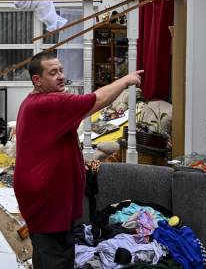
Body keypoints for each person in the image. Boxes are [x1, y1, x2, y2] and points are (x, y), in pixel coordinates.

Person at [14, 51, 143, 269]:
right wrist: (126, 80)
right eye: (53, 73)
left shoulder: (41, 102)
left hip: (52, 198)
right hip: (46, 199)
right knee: (53, 258)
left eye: (61, 70)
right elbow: (98, 99)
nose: (61, 76)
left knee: (58, 253)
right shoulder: (49, 103)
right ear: (37, 80)